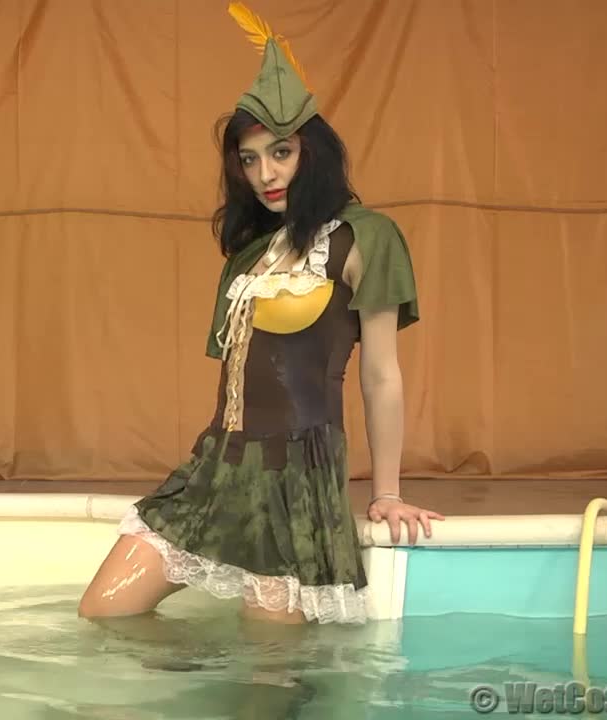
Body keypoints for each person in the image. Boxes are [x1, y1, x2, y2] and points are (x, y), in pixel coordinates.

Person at [79, 2, 442, 627]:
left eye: (280, 153)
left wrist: (387, 493)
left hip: (296, 481)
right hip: (216, 468)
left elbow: (382, 375)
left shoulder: (366, 237)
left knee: (268, 664)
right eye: (249, 160)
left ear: (311, 154)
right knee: (103, 613)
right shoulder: (252, 253)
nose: (264, 173)